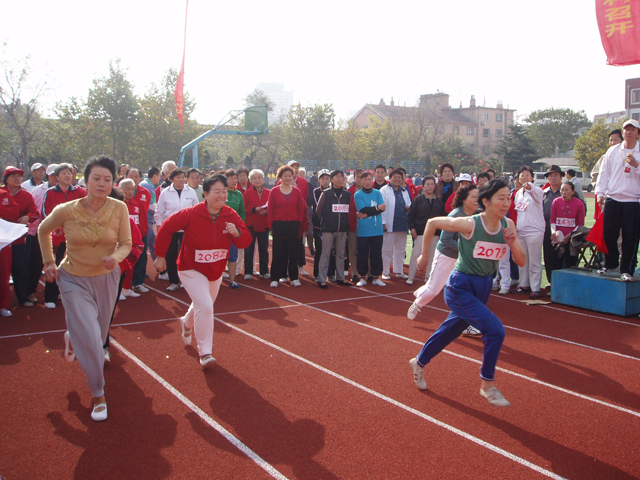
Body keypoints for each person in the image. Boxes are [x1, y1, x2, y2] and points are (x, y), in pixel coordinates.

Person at [409, 179, 526, 407]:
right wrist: (425, 255)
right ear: (486, 201)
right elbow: (432, 222)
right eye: (500, 198)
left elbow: (521, 261)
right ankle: (487, 384)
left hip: (483, 288)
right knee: (495, 331)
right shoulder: (470, 224)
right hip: (460, 287)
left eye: (508, 198)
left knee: (448, 332)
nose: (505, 203)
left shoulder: (508, 225)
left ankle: (419, 362)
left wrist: (512, 244)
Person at [39, 155, 132, 421]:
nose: (102, 184)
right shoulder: (67, 209)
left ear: (113, 182)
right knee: (93, 342)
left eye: (107, 180)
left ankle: (72, 337)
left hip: (106, 279)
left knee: (99, 335)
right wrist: (48, 262)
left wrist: (114, 258)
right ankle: (98, 393)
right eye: (96, 179)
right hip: (72, 278)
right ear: (86, 180)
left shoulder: (118, 208)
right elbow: (43, 231)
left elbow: (126, 243)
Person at [154, 174, 251, 368]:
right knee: (206, 306)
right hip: (191, 268)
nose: (222, 195)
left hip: (215, 270)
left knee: (201, 305)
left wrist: (236, 233)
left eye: (224, 191)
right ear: (205, 194)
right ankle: (205, 352)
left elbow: (245, 241)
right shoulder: (191, 213)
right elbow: (166, 228)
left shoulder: (230, 214)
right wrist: (160, 255)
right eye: (217, 191)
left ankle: (186, 322)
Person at [407, 184, 479, 332]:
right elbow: (446, 240)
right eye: (473, 197)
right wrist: (467, 250)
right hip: (446, 256)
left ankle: (466, 324)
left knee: (466, 292)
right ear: (464, 199)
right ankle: (418, 303)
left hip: (464, 260)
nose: (477, 200)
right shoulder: (455, 215)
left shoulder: (478, 215)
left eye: (478, 196)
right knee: (434, 289)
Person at [595, 119, 640, 281]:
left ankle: (627, 269)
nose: (629, 132)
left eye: (632, 130)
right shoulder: (613, 151)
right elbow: (604, 173)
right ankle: (610, 264)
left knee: (630, 237)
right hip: (613, 197)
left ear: (638, 133)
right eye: (626, 129)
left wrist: (636, 165)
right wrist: (600, 193)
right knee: (608, 234)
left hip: (633, 200)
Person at [41, 163, 87, 308]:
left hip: (76, 237)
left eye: (70, 173)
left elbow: (89, 209)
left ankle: (74, 293)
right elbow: (46, 213)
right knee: (54, 264)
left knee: (77, 265)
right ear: (56, 177)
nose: (68, 176)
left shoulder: (80, 192)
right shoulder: (50, 193)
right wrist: (59, 226)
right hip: (57, 237)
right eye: (64, 173)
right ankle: (50, 296)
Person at [154, 168, 199, 291]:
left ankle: (185, 280)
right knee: (171, 255)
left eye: (182, 177)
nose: (180, 180)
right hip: (171, 229)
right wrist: (159, 227)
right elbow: (159, 211)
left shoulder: (191, 192)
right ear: (172, 179)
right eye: (178, 177)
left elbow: (196, 210)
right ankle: (173, 281)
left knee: (186, 255)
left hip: (187, 229)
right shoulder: (165, 192)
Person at [1, 167, 39, 307]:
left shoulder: (26, 196)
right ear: (6, 179)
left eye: (19, 176)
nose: (17, 179)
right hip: (2, 240)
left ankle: (23, 298)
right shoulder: (1, 194)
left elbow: (35, 212)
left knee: (20, 268)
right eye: (13, 176)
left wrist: (27, 217)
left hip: (18, 238)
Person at [267, 165, 308, 287]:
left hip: (293, 224)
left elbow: (301, 209)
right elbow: (270, 210)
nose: (287, 178)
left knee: (293, 252)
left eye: (290, 176)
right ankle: (275, 277)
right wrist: (271, 226)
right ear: (280, 177)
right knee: (278, 251)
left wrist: (300, 223)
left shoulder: (297, 191)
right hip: (278, 224)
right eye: (285, 176)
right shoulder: (274, 191)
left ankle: (294, 277)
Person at [512, 166, 545, 298]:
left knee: (534, 261)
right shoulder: (518, 193)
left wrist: (530, 188)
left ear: (532, 177)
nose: (524, 177)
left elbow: (535, 194)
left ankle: (535, 288)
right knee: (523, 260)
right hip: (521, 231)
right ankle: (524, 285)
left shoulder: (537, 190)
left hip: (534, 231)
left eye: (527, 175)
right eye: (522, 175)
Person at [315, 170, 352, 289]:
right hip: (328, 229)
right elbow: (318, 211)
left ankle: (340, 278)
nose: (340, 179)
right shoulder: (325, 194)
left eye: (341, 177)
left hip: (342, 229)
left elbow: (349, 211)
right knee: (325, 254)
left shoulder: (347, 194)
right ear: (332, 179)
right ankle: (321, 279)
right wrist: (325, 223)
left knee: (341, 254)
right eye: (337, 177)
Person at [406, 176, 446, 285]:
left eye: (432, 184)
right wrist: (412, 228)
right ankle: (411, 277)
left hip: (435, 233)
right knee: (416, 254)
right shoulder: (417, 200)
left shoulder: (438, 201)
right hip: (420, 232)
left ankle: (428, 277)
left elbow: (443, 217)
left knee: (432, 256)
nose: (430, 186)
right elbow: (410, 216)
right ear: (423, 187)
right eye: (427, 184)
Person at [354, 171, 387, 287]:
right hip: (363, 231)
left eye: (369, 179)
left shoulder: (377, 193)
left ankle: (376, 276)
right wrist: (376, 208)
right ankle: (362, 276)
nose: (367, 182)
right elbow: (363, 209)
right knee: (362, 254)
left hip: (377, 230)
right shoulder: (358, 195)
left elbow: (382, 208)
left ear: (372, 180)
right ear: (360, 181)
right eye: (364, 180)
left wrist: (368, 213)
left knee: (376, 254)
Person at [380, 169, 411, 280]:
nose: (397, 179)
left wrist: (408, 207)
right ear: (390, 177)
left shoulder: (404, 191)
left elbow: (409, 204)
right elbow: (381, 207)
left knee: (400, 250)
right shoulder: (384, 190)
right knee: (387, 249)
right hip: (389, 224)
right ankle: (385, 271)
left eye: (399, 177)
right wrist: (383, 222)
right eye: (395, 177)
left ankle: (399, 271)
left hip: (402, 225)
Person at [125, 168, 152, 293]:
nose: (133, 179)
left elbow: (145, 211)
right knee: (124, 258)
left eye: (136, 176)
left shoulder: (145, 193)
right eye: (130, 176)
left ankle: (138, 282)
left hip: (141, 231)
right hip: (124, 233)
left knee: (141, 257)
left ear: (140, 179)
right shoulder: (119, 192)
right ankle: (124, 285)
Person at [242, 169, 271, 280]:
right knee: (249, 249)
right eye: (254, 178)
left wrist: (266, 211)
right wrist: (255, 209)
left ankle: (264, 271)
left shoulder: (269, 193)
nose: (257, 180)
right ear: (251, 180)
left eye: (259, 178)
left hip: (264, 225)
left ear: (263, 179)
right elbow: (244, 208)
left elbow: (272, 207)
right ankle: (248, 271)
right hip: (251, 225)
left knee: (264, 249)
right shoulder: (247, 193)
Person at [550, 181, 585, 268]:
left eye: (567, 190)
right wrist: (553, 232)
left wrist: (569, 235)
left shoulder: (579, 204)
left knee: (570, 264)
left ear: (572, 192)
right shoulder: (556, 202)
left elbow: (580, 223)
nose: (564, 192)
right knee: (555, 264)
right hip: (558, 238)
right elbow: (553, 220)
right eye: (562, 190)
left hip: (572, 240)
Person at [542, 165, 564, 290]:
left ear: (561, 177)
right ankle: (551, 280)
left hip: (562, 227)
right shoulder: (545, 193)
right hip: (546, 226)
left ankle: (561, 281)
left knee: (560, 255)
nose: (553, 177)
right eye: (550, 175)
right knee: (548, 254)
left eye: (555, 175)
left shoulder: (566, 190)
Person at [0, 188, 21, 317]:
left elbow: (14, 212)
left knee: (3, 272)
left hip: (3, 239)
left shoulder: (3, 194)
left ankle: (2, 305)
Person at [224, 169, 246, 288]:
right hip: (220, 230)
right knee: (220, 255)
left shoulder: (238, 194)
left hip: (233, 230)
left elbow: (242, 211)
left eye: (235, 178)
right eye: (231, 178)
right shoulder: (222, 192)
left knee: (233, 256)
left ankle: (232, 281)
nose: (234, 181)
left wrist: (239, 226)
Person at [311, 170, 331, 279]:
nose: (325, 180)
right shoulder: (315, 192)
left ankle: (330, 273)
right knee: (319, 250)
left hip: (332, 226)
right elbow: (319, 206)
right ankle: (317, 274)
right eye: (323, 178)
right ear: (319, 180)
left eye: (327, 178)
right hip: (318, 226)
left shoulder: (335, 191)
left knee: (331, 251)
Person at [141, 166, 161, 263]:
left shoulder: (146, 184)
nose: (159, 178)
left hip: (148, 218)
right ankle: (140, 271)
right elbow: (152, 205)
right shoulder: (148, 186)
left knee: (153, 243)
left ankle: (160, 269)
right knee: (145, 246)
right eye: (159, 176)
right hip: (146, 219)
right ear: (154, 176)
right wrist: (160, 212)